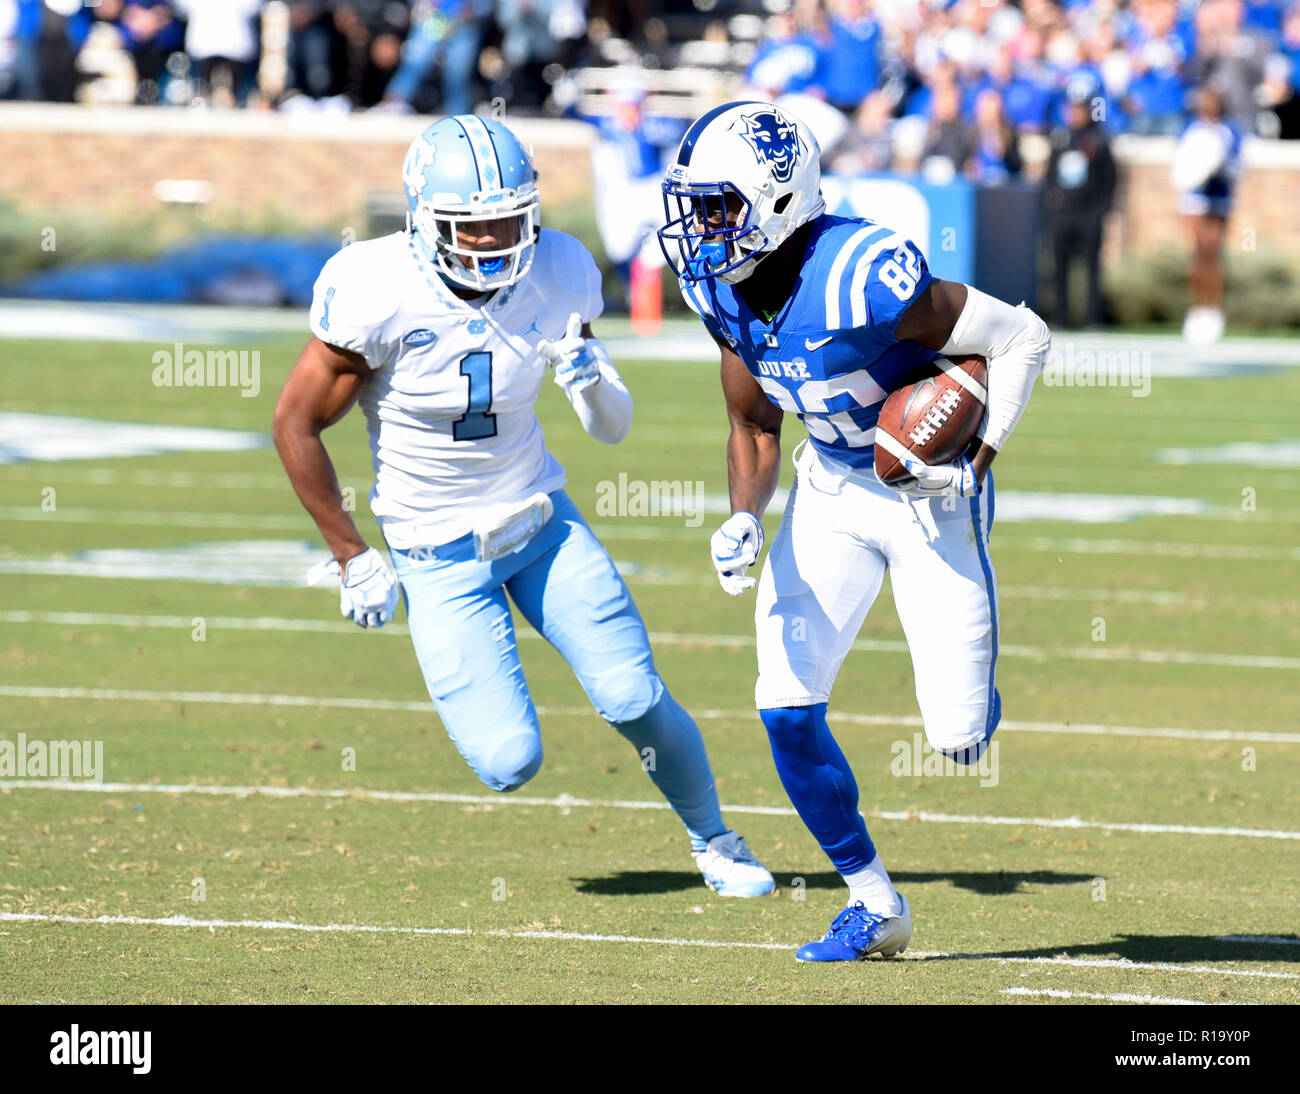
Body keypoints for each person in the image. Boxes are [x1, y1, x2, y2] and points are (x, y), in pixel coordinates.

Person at [272, 115, 774, 898]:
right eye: (473, 228)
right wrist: (352, 554)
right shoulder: (375, 289)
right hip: (437, 553)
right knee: (509, 763)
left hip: (542, 524)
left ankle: (716, 838)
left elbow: (613, 431)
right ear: (425, 223)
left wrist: (590, 382)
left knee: (633, 695)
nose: (496, 241)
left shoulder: (560, 270)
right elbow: (294, 423)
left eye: (509, 219)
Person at [659, 101, 1051, 961]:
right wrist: (741, 517)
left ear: (776, 197)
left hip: (925, 496)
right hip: (829, 491)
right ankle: (874, 904)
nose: (699, 227)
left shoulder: (864, 275)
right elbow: (758, 423)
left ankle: (973, 700)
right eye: (694, 207)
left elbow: (1022, 336)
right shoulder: (717, 287)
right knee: (785, 709)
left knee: (956, 739)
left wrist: (975, 457)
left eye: (718, 206)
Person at [1041, 74, 1117, 328]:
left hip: (1089, 213)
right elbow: (1050, 176)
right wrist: (1051, 208)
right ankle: (1060, 316)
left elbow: (1110, 179)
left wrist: (1101, 210)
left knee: (1092, 268)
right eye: (1073, 107)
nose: (1076, 113)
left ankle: (1093, 318)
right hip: (1063, 213)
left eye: (1081, 107)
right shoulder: (1060, 138)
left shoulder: (1099, 139)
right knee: (1059, 268)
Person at [1172, 83, 1243, 344]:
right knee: (1197, 253)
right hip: (1194, 199)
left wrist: (1219, 167)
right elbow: (1181, 165)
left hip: (1219, 200)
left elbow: (1239, 167)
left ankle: (1213, 310)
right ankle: (1196, 309)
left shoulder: (1230, 130)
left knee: (1213, 254)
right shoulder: (1190, 127)